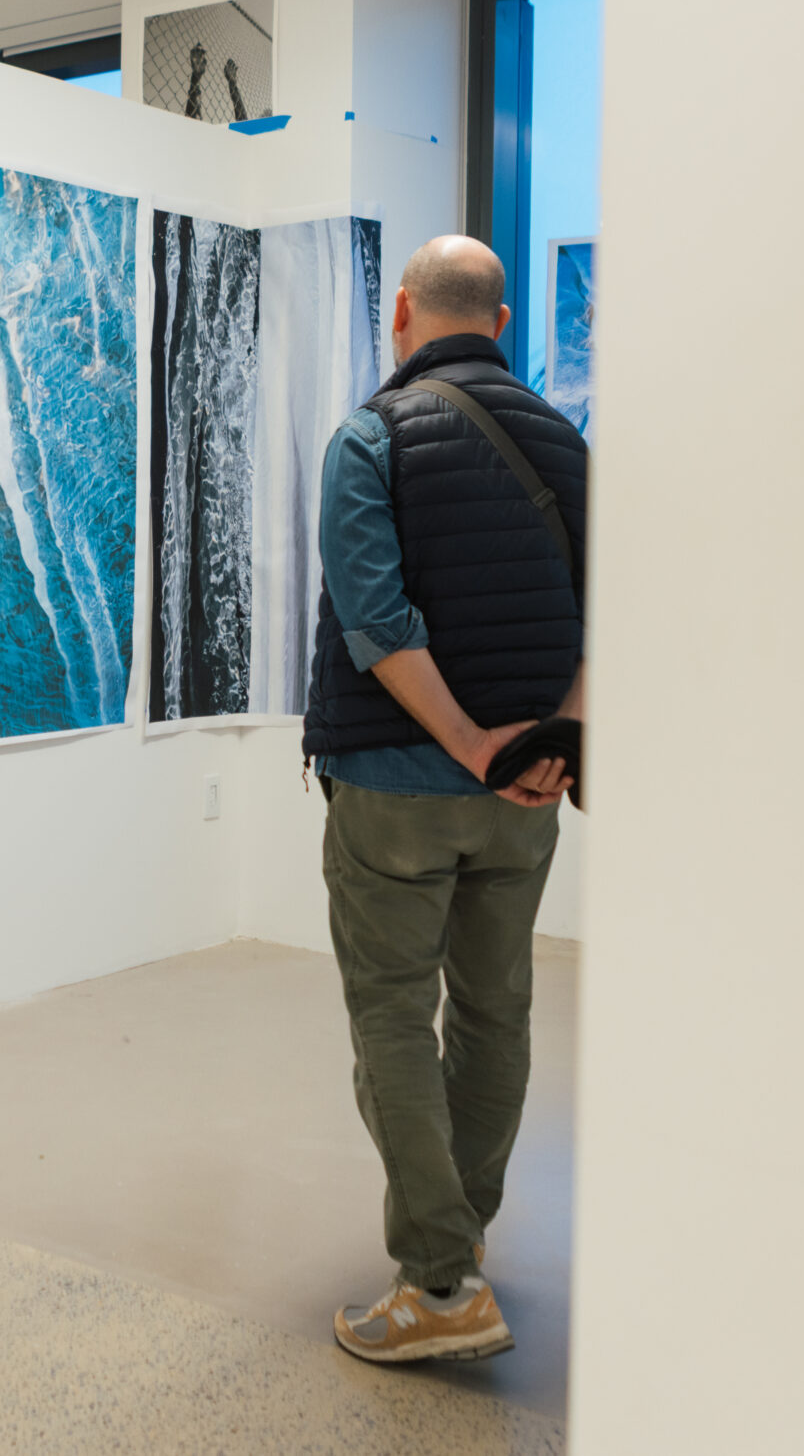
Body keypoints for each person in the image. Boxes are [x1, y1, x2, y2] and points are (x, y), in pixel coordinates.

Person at [303, 234, 586, 1365]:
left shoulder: (370, 436)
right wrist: (551, 748)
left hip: (396, 787)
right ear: (502, 323)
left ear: (401, 316)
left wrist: (470, 745)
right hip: (526, 799)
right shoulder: (567, 444)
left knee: (390, 1016)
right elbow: (605, 619)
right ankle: (459, 1241)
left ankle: (439, 1280)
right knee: (493, 1013)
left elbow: (377, 626)